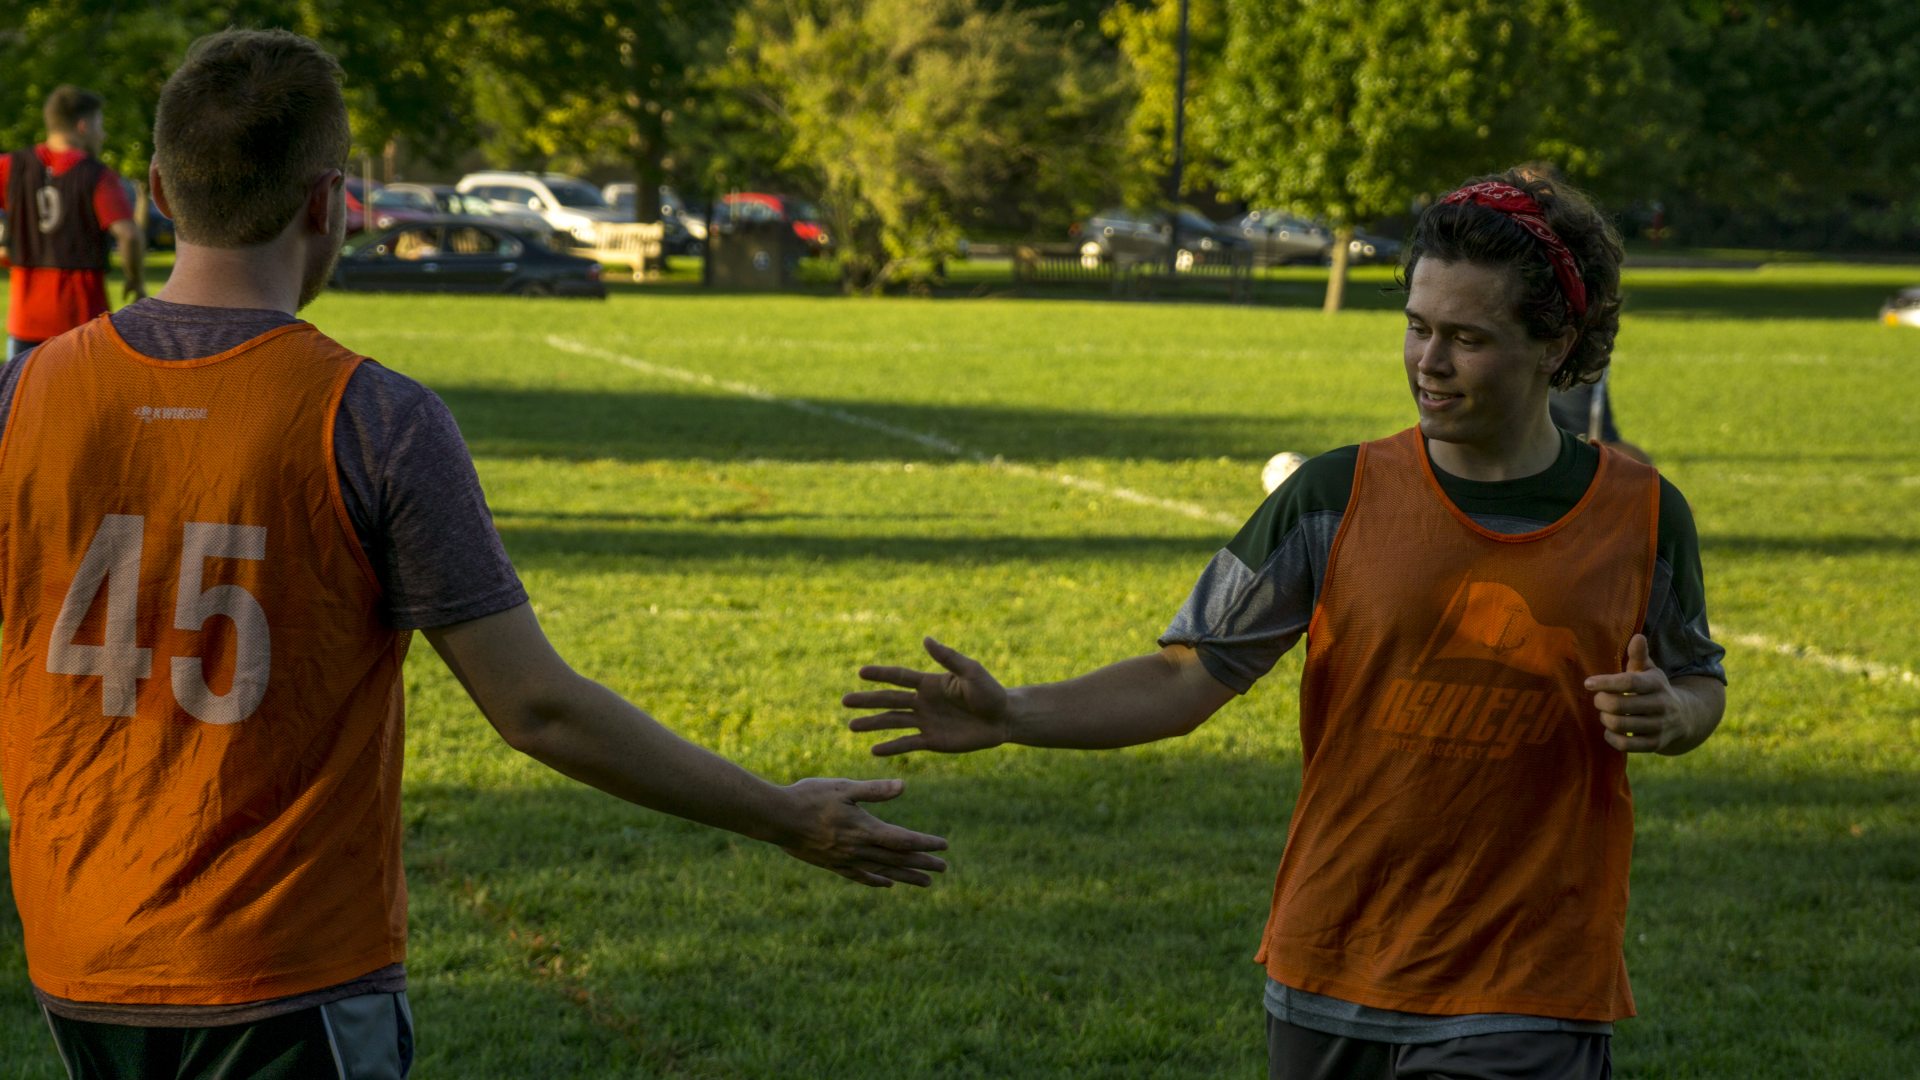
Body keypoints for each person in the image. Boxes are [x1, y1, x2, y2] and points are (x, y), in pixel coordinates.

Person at [0, 29, 947, 1079]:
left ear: (157, 189)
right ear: (332, 203)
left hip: (79, 957)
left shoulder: (24, 394)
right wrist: (785, 817)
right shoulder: (369, 416)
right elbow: (535, 707)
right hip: (280, 975)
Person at [846, 168, 1726, 1080]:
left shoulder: (1643, 515)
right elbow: (1188, 677)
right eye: (1418, 328)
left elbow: (1700, 678)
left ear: (1557, 344)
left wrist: (1677, 714)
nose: (1429, 361)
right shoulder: (1330, 498)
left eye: (1468, 338)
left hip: (1529, 986)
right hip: (1333, 957)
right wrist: (1014, 714)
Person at [1, 84, 146, 359]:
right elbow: (129, 235)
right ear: (83, 126)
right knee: (83, 402)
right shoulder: (98, 176)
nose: (102, 134)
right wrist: (135, 280)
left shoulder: (11, 166)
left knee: (21, 401)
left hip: (24, 319)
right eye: (99, 125)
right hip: (81, 320)